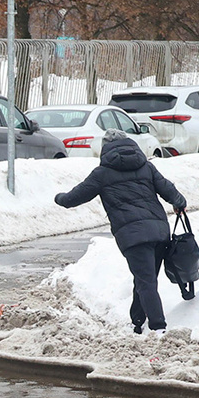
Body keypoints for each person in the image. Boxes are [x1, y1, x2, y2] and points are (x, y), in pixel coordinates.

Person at [54, 129, 187, 335]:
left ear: (105, 148)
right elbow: (168, 189)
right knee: (144, 279)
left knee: (145, 282)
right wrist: (180, 203)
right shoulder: (146, 167)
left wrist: (59, 197)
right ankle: (137, 322)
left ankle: (159, 329)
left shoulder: (102, 173)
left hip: (133, 236)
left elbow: (74, 198)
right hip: (160, 232)